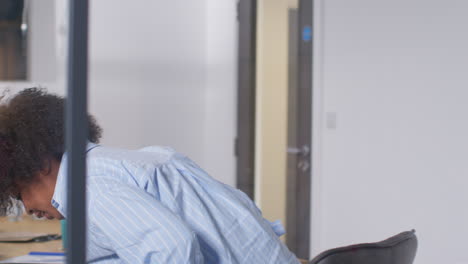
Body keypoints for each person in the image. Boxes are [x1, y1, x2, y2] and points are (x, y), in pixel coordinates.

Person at [0, 88, 299, 264]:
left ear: (38, 164)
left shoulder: (90, 186)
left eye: (18, 193)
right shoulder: (109, 166)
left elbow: (173, 248)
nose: (26, 209)